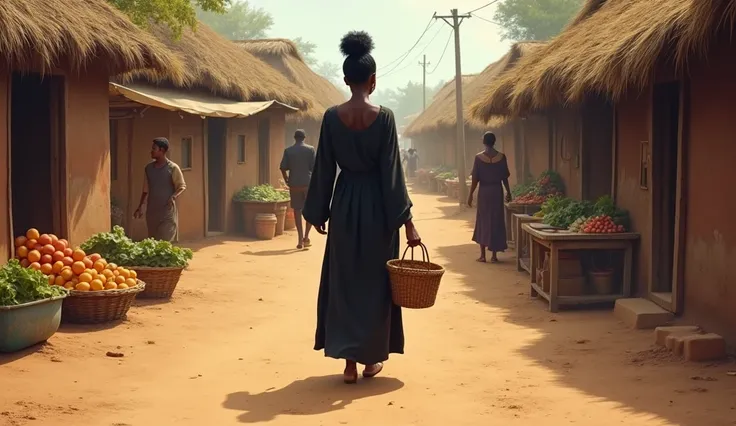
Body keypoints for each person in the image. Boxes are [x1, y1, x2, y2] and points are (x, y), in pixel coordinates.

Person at [303, 31, 421, 384]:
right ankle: (371, 361)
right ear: (373, 80)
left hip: (344, 204)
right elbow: (391, 174)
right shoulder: (383, 118)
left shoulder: (330, 116)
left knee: (345, 282)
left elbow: (324, 165)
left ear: (345, 79)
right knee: (376, 283)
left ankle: (349, 364)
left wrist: (318, 212)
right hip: (377, 210)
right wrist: (407, 221)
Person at [467, 132, 512, 263]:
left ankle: (482, 255)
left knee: (483, 220)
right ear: (494, 141)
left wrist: (470, 195)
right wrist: (508, 192)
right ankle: (494, 256)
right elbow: (505, 178)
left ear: (483, 142)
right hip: (497, 191)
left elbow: (475, 179)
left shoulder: (478, 158)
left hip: (484, 192)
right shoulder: (501, 157)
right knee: (496, 220)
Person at [133, 137, 187, 242]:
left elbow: (181, 186)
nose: (151, 151)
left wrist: (173, 196)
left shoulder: (172, 168)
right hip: (152, 212)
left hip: (167, 212)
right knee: (154, 242)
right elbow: (145, 190)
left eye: (154, 148)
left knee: (165, 241)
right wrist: (140, 207)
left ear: (162, 150)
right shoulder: (148, 169)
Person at [280, 129, 316, 249]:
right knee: (309, 209)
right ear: (304, 138)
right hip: (307, 184)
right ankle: (306, 237)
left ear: (294, 138)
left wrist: (287, 180)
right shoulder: (310, 150)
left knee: (297, 210)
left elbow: (283, 168)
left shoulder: (288, 151)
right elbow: (314, 167)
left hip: (294, 185)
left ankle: (300, 239)